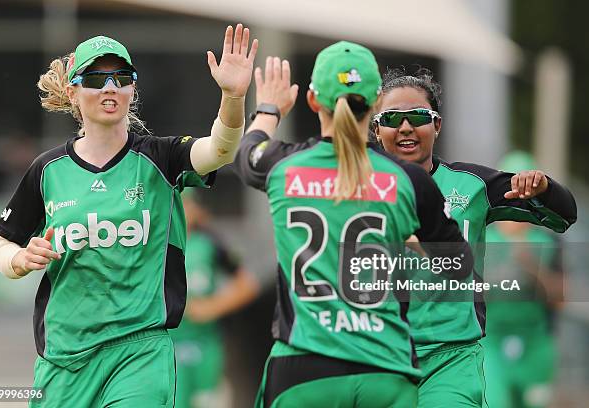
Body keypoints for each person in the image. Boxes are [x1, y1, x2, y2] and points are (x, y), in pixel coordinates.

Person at [0, 24, 258, 407]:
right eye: (96, 78)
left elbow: (220, 149)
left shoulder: (160, 157)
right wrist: (18, 259)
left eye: (121, 78)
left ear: (133, 89)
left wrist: (233, 96)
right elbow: (3, 242)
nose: (110, 88)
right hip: (64, 357)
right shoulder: (47, 170)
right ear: (73, 91)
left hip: (140, 350)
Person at [234, 42, 474, 408]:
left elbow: (247, 154)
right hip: (385, 371)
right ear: (377, 102)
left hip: (303, 371)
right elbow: (460, 267)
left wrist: (269, 108)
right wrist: (407, 246)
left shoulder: (284, 165)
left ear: (313, 100)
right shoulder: (408, 180)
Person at [372, 68, 577, 407]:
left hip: (451, 358)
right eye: (392, 117)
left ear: (436, 125)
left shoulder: (471, 186)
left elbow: (564, 214)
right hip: (378, 355)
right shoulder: (354, 185)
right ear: (377, 129)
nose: (405, 127)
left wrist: (544, 187)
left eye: (418, 116)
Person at [482, 151, 563, 408]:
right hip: (491, 343)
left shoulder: (548, 242)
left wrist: (532, 268)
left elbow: (559, 299)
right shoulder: (481, 237)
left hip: (535, 345)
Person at [168, 190, 259, 408]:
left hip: (204, 343)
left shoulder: (209, 243)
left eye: (186, 204)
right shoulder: (152, 243)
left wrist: (212, 307)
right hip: (167, 344)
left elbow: (247, 283)